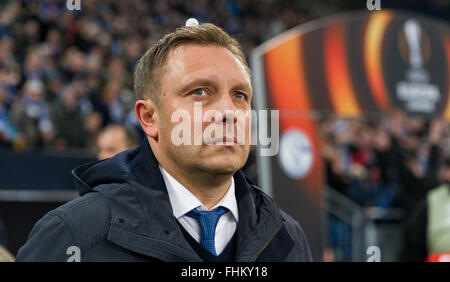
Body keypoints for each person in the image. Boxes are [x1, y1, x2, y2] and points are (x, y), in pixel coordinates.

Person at [15, 23, 312, 262]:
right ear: (149, 118)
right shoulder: (75, 234)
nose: (228, 112)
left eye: (240, 96)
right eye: (199, 92)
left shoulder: (288, 238)